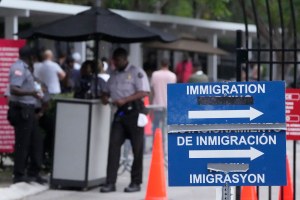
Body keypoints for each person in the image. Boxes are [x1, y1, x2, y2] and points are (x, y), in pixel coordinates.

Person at [100, 47, 150, 193]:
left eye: (117, 60)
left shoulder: (136, 72)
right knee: (113, 147)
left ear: (124, 59)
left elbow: (144, 92)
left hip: (134, 112)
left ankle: (136, 182)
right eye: (114, 61)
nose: (115, 63)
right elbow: (107, 91)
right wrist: (104, 96)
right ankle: (110, 182)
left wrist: (125, 99)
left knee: (137, 149)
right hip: (120, 114)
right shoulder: (113, 75)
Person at [6, 45, 47, 184]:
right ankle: (18, 175)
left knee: (37, 140)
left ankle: (33, 172)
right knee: (22, 143)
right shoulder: (18, 68)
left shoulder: (26, 69)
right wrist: (31, 93)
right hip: (21, 110)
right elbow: (14, 89)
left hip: (29, 110)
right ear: (31, 57)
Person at [150, 58, 176, 138]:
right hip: (168, 105)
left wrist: (151, 105)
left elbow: (152, 91)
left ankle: (155, 143)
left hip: (157, 105)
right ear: (169, 64)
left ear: (160, 64)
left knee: (156, 125)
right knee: (167, 126)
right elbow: (173, 92)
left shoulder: (155, 74)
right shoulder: (172, 76)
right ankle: (165, 144)